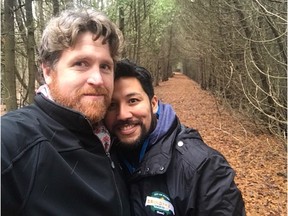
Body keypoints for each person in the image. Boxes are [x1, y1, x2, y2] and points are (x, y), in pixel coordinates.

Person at [1, 8, 131, 216]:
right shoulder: (15, 142)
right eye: (81, 63)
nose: (97, 79)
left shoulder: (111, 134)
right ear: (48, 72)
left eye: (105, 66)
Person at [104, 59, 246, 216]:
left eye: (133, 101)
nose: (123, 114)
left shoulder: (203, 167)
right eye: (112, 105)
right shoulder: (104, 157)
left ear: (153, 104)